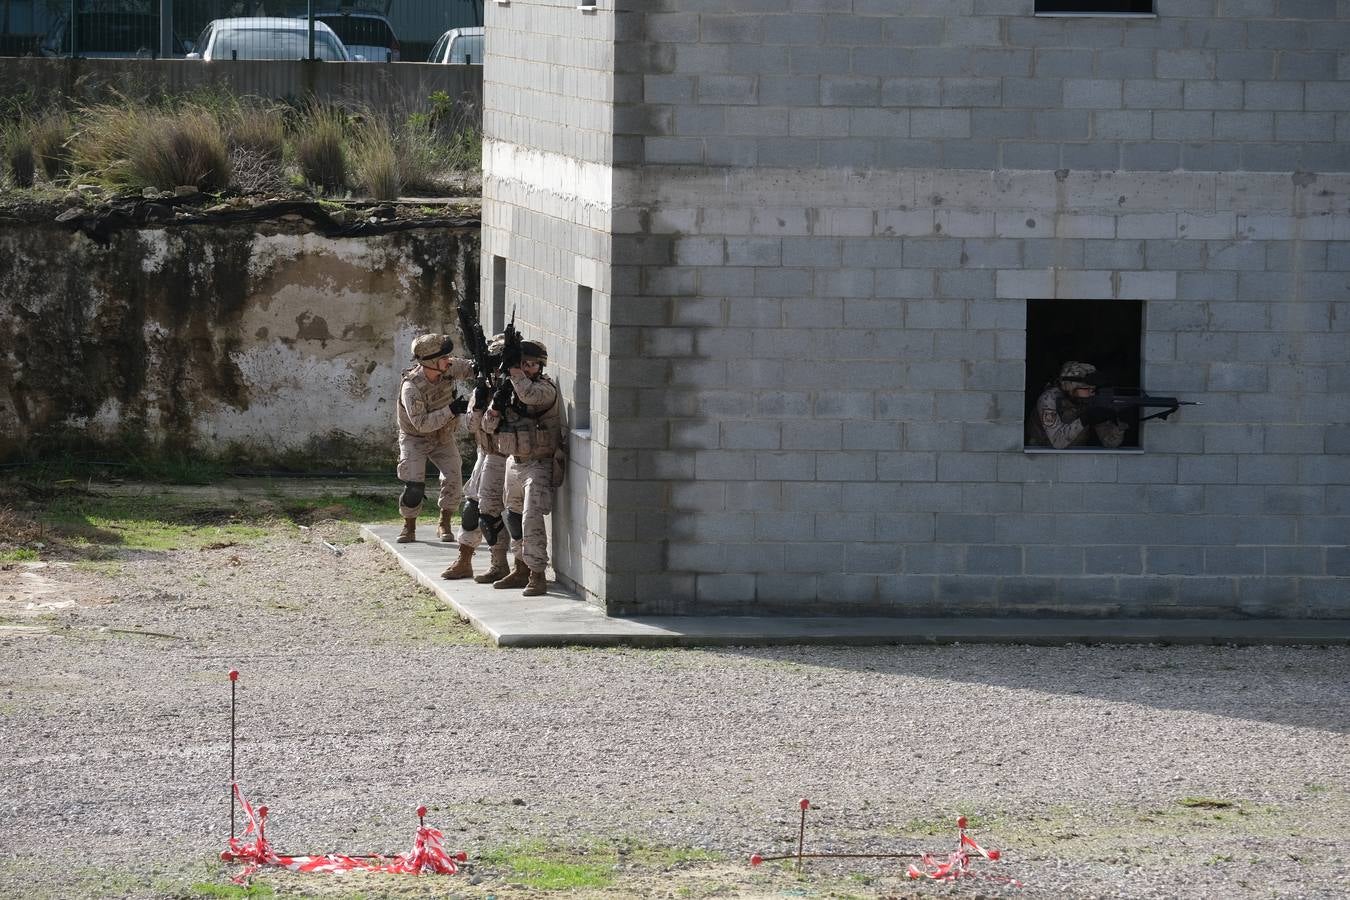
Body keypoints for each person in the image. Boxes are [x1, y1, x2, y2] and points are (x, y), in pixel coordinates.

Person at [483, 339, 562, 597]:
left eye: (531, 365)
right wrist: (495, 405)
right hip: (514, 462)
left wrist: (514, 372)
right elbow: (487, 427)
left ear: (540, 367)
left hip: (538, 464)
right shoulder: (510, 387)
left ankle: (537, 574)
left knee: (531, 519)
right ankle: (520, 569)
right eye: (522, 364)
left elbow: (529, 395)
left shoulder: (544, 389)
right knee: (513, 518)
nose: (526, 369)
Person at [441, 336, 512, 583]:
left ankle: (500, 563)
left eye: (497, 363)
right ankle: (464, 560)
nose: (493, 369)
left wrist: (495, 402)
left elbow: (493, 427)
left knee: (490, 513)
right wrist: (480, 399)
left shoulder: (513, 390)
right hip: (485, 453)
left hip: (504, 456)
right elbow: (472, 425)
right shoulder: (483, 388)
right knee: (471, 508)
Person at [395, 333, 472, 543]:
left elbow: (470, 368)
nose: (449, 360)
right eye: (444, 357)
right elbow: (422, 424)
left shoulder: (447, 367)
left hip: (443, 436)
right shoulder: (411, 388)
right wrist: (452, 409)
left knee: (454, 478)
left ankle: (444, 523)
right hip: (415, 438)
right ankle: (409, 526)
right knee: (414, 486)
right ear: (431, 362)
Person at [1033, 361, 1128, 450]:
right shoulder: (1049, 399)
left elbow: (1110, 443)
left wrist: (1120, 426)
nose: (1092, 393)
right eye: (1087, 388)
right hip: (1042, 455)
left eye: (1093, 389)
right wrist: (1084, 419)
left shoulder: (1089, 401)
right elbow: (1057, 442)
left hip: (1077, 456)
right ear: (1070, 387)